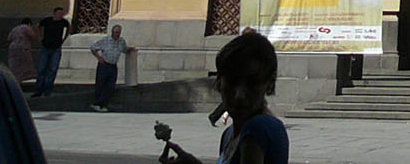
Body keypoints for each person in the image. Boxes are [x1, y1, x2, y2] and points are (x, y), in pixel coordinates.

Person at [155, 30, 289, 164]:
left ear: (269, 85)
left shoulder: (256, 129)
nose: (239, 95)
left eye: (252, 84)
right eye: (232, 82)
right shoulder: (230, 134)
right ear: (219, 83)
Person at [89, 23, 136, 112]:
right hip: (104, 64)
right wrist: (99, 57)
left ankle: (101, 104)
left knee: (110, 86)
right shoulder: (105, 40)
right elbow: (93, 48)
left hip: (113, 65)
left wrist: (130, 49)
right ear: (112, 32)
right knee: (101, 85)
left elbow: (124, 49)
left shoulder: (121, 41)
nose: (117, 34)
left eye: (118, 32)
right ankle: (97, 103)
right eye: (115, 32)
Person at [34, 6, 70, 96]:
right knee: (41, 69)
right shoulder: (47, 21)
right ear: (54, 14)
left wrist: (64, 39)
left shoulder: (63, 22)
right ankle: (38, 90)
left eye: (61, 14)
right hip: (45, 47)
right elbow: (38, 26)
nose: (60, 16)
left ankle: (47, 90)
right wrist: (39, 38)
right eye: (59, 14)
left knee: (52, 70)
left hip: (56, 48)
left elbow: (69, 28)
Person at [6, 17, 37, 84]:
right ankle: (19, 80)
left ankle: (14, 79)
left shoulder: (15, 28)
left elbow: (8, 38)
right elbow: (33, 36)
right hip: (23, 48)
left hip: (12, 48)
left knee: (14, 65)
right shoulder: (27, 27)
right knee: (23, 65)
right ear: (29, 23)